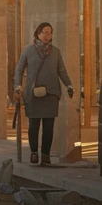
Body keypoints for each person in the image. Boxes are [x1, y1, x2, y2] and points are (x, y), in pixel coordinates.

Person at [13, 22, 74, 166]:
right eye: (45, 32)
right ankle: (34, 153)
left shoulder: (55, 52)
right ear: (38, 33)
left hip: (51, 93)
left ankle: (45, 155)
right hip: (33, 94)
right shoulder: (28, 50)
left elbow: (62, 71)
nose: (47, 35)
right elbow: (19, 70)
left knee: (48, 127)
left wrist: (69, 85)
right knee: (34, 125)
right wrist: (17, 86)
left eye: (50, 32)